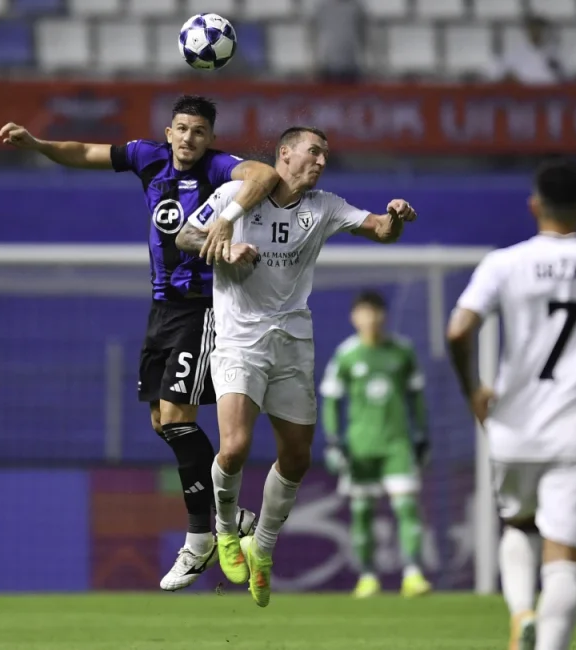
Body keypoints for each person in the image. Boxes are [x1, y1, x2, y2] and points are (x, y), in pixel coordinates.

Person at [0, 95, 281, 592]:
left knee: (176, 417)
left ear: (210, 137)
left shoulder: (219, 168)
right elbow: (84, 152)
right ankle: (229, 517)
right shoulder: (147, 158)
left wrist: (226, 217)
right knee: (161, 421)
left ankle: (201, 539)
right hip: (161, 311)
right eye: (182, 129)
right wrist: (38, 144)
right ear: (168, 132)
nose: (189, 138)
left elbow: (265, 176)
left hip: (204, 308)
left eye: (199, 131)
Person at [174, 126, 418, 607]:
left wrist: (396, 217)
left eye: (326, 155)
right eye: (314, 152)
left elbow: (380, 231)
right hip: (240, 339)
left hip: (292, 343)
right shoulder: (233, 194)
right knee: (237, 446)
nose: (322, 161)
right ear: (284, 154)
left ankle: (262, 547)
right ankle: (225, 529)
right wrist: (223, 247)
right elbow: (185, 234)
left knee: (298, 458)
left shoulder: (324, 206)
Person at [446, 158, 576, 650]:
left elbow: (459, 329)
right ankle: (547, 642)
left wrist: (473, 389)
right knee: (564, 561)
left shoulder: (505, 263)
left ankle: (522, 612)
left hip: (513, 428)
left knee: (519, 524)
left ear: (534, 204)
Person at [319, 290, 432, 599]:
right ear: (354, 318)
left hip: (397, 444)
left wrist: (422, 434)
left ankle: (413, 574)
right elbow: (330, 400)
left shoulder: (401, 352)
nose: (370, 319)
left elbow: (416, 397)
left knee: (407, 507)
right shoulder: (347, 354)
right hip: (360, 447)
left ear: (384, 316)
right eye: (364, 313)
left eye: (375, 313)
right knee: (362, 512)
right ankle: (367, 576)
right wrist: (332, 440)